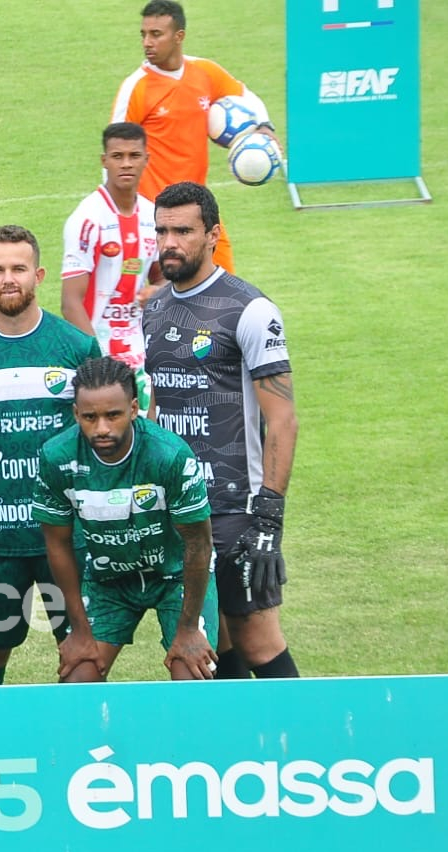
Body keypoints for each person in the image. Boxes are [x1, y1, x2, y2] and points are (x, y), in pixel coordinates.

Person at [144, 181, 297, 680]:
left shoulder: (249, 310)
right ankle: (237, 731)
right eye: (162, 231)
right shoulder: (154, 309)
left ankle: (303, 725)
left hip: (234, 508)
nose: (170, 242)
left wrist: (269, 517)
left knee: (256, 639)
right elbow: (159, 404)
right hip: (178, 509)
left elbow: (283, 418)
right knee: (212, 640)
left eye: (183, 231)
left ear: (213, 234)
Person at [0, 225, 102, 686]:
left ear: (39, 275)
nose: (8, 279)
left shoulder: (76, 347)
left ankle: (80, 733)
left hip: (66, 535)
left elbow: (96, 426)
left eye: (18, 268)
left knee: (83, 656)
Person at [34, 358, 217, 682]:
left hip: (176, 577)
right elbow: (57, 544)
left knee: (191, 676)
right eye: (90, 417)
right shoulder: (56, 457)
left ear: (133, 409)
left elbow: (199, 544)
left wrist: (189, 629)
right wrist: (79, 630)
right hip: (108, 582)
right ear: (76, 414)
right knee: (77, 680)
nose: (102, 428)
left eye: (113, 415)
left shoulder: (170, 455)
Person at [112, 1, 275, 273]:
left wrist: (265, 125)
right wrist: (119, 216)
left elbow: (246, 97)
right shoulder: (136, 88)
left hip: (200, 210)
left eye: (156, 34)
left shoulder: (205, 72)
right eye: (144, 34)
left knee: (226, 286)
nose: (147, 42)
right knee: (163, 292)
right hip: (157, 217)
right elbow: (115, 151)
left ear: (179, 36)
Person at [62, 123, 162, 371]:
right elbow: (70, 302)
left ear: (146, 160)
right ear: (104, 161)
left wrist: (159, 291)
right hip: (98, 350)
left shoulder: (152, 216)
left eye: (134, 156)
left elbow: (164, 277)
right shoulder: (87, 220)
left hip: (142, 351)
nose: (126, 164)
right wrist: (98, 361)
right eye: (118, 156)